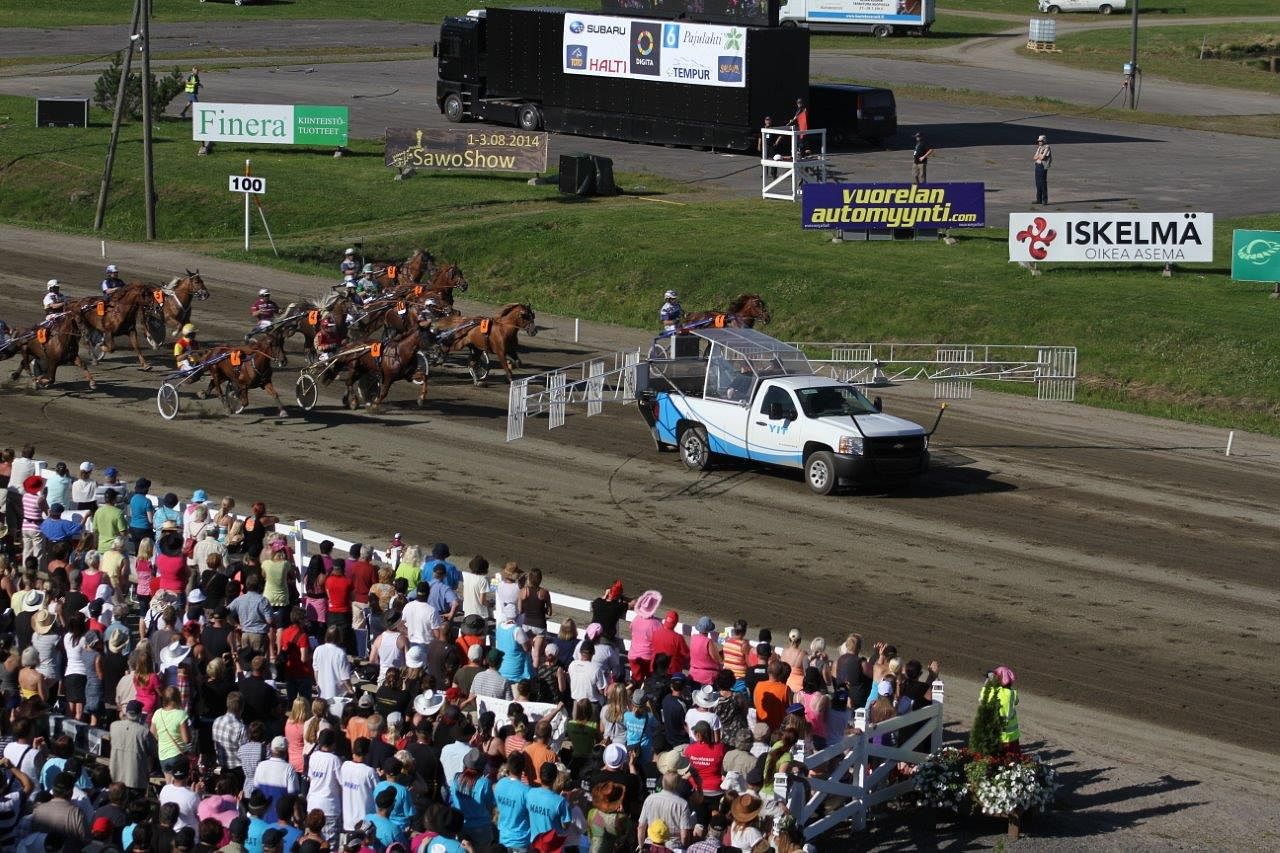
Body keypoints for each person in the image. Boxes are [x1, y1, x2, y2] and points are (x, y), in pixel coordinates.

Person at [1033, 133, 1052, 205]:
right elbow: (1034, 157)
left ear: (1044, 141)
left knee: (1043, 183)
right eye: (1039, 141)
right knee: (1037, 183)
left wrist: (1038, 156)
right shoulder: (1039, 147)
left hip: (1043, 166)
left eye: (1040, 141)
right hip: (1037, 165)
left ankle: (1044, 200)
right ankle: (1039, 199)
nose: (1039, 142)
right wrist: (1039, 155)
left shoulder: (1047, 147)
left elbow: (1042, 157)